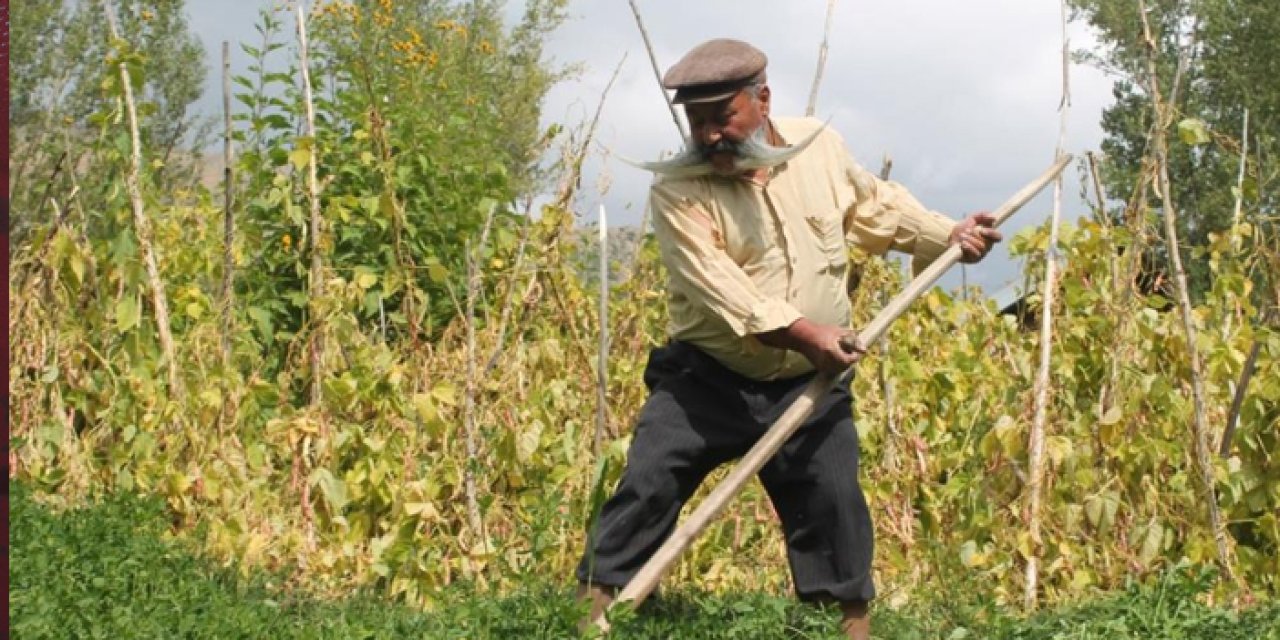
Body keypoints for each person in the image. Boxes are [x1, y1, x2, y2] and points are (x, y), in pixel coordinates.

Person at [575, 38, 1001, 639]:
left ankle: (845, 632)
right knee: (648, 483)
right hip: (706, 378)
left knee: (833, 505)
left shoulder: (819, 148)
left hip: (812, 380)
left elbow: (874, 209)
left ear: (763, 100)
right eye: (698, 123)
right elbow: (724, 291)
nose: (711, 136)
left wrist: (948, 234)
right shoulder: (678, 191)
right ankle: (591, 617)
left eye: (723, 117)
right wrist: (805, 334)